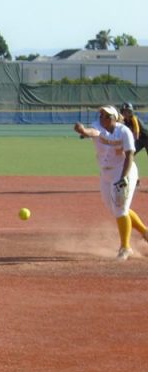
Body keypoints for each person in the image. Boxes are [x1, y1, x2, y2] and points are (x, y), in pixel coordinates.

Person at [74, 105, 148, 260]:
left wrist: (123, 178)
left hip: (124, 171)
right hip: (106, 174)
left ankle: (125, 247)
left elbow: (129, 156)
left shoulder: (124, 131)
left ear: (114, 118)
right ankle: (145, 232)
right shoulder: (98, 127)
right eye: (101, 115)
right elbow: (92, 132)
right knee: (116, 209)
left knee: (120, 208)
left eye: (106, 116)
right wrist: (82, 131)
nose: (102, 118)